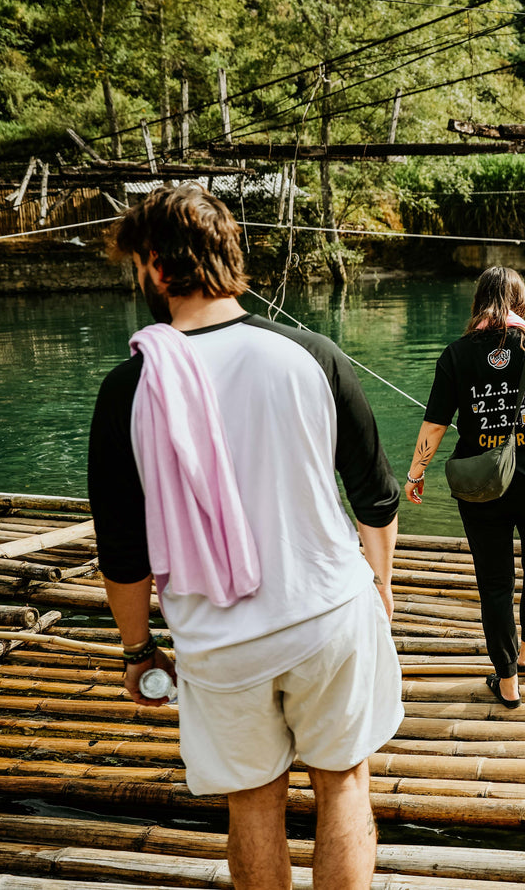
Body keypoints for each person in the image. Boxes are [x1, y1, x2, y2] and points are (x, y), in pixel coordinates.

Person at [89, 185, 403, 890]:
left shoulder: (129, 388)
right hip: (329, 616)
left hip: (220, 642)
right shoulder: (311, 354)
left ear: (155, 265)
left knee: (253, 802)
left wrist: (138, 649)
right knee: (345, 783)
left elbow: (122, 550)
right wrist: (380, 588)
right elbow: (376, 496)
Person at [405, 267, 525, 707]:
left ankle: (507, 681)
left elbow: (435, 425)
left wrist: (416, 474)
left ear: (478, 302)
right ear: (521, 303)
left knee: (494, 584)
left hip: (482, 487)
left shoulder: (456, 355)